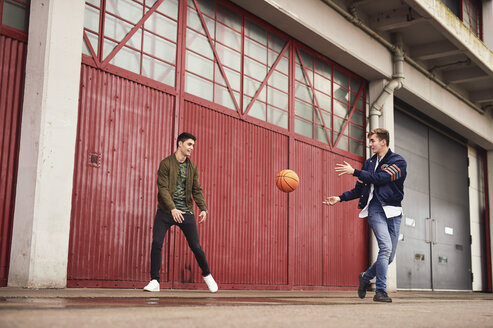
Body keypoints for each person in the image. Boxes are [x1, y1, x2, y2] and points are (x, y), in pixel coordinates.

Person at [323, 128, 406, 302]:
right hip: (375, 209)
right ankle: (380, 291)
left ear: (383, 141)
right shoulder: (368, 163)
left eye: (373, 141)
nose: (370, 144)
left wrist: (354, 171)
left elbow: (380, 178)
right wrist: (339, 198)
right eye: (370, 141)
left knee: (389, 256)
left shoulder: (398, 162)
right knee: (385, 248)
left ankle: (366, 277)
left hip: (394, 212)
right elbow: (359, 190)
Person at [144, 132, 218, 293]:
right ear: (180, 144)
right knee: (157, 243)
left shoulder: (192, 167)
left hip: (185, 211)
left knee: (196, 246)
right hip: (166, 211)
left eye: (193, 145)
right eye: (189, 144)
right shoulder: (165, 164)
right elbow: (162, 188)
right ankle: (155, 281)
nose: (192, 148)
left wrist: (203, 208)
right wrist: (172, 208)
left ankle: (208, 276)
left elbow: (196, 189)